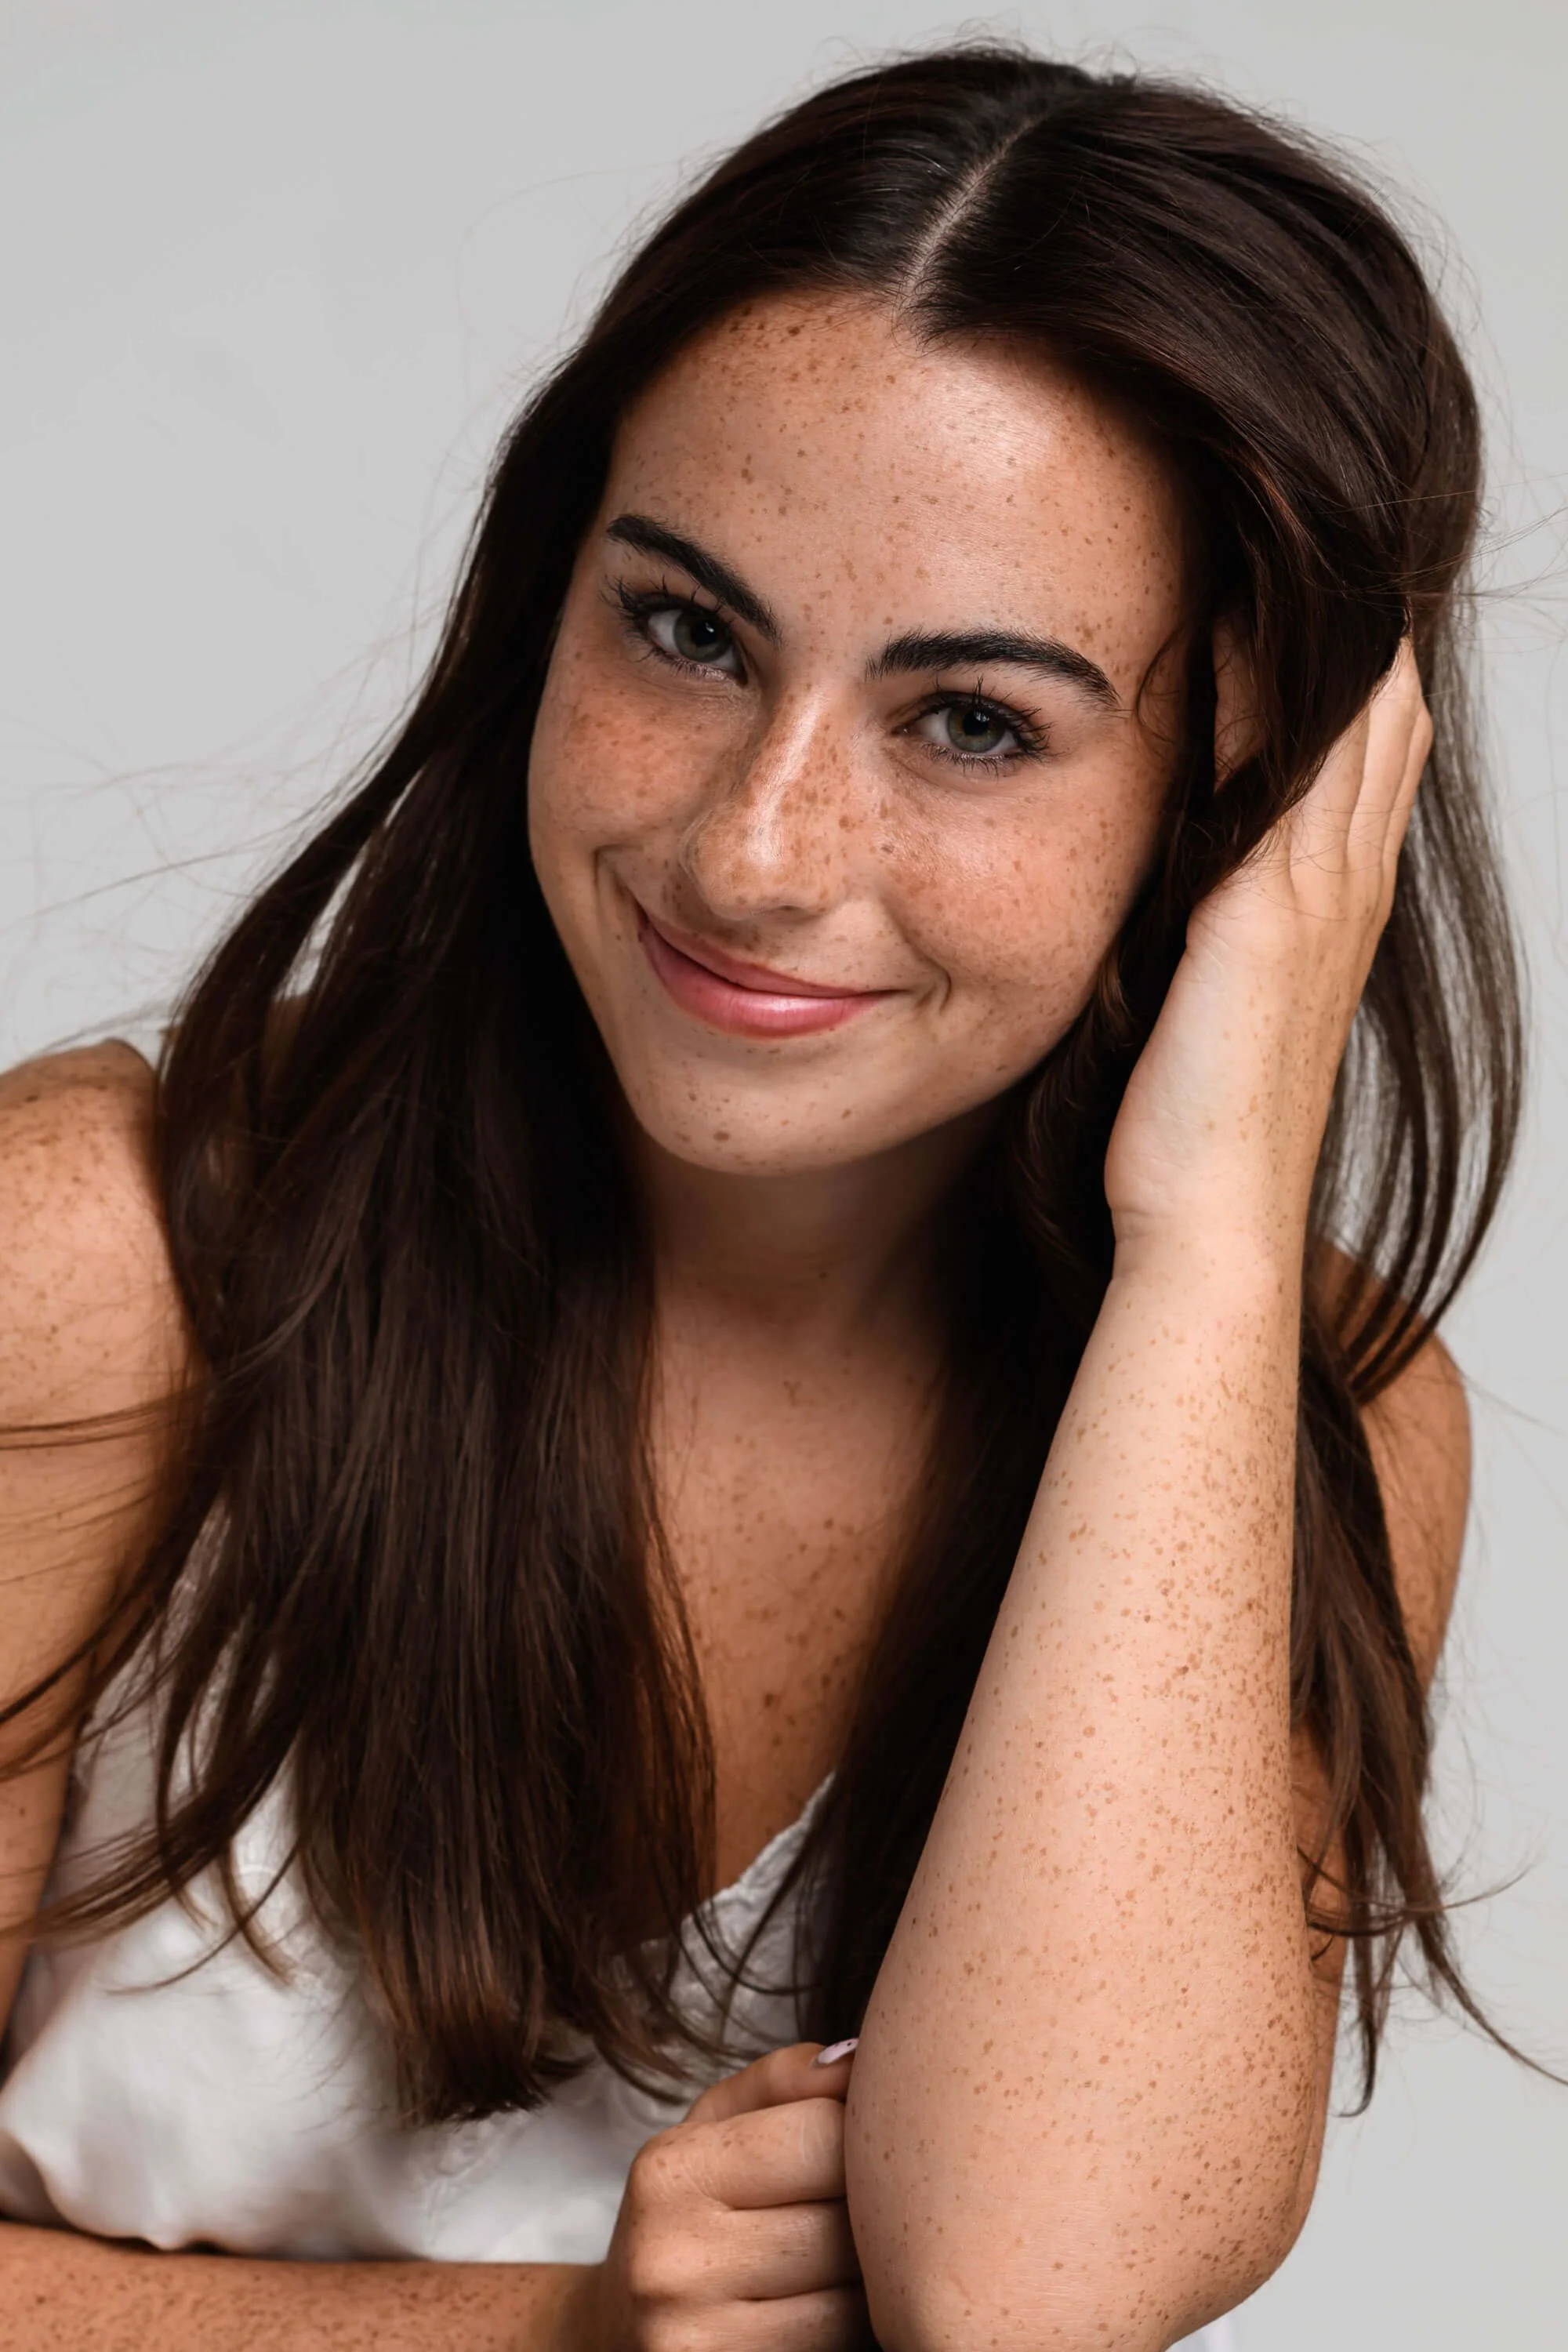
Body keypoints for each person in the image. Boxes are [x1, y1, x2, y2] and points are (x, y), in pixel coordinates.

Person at [0, 38, 1530, 2352]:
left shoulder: (1301, 1410)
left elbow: (1032, 2296)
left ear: (1246, 795)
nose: (756, 850)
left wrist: (1213, 1229)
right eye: (687, 632)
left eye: (978, 722)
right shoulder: (99, 1268)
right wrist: (549, 2335)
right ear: (550, 595)